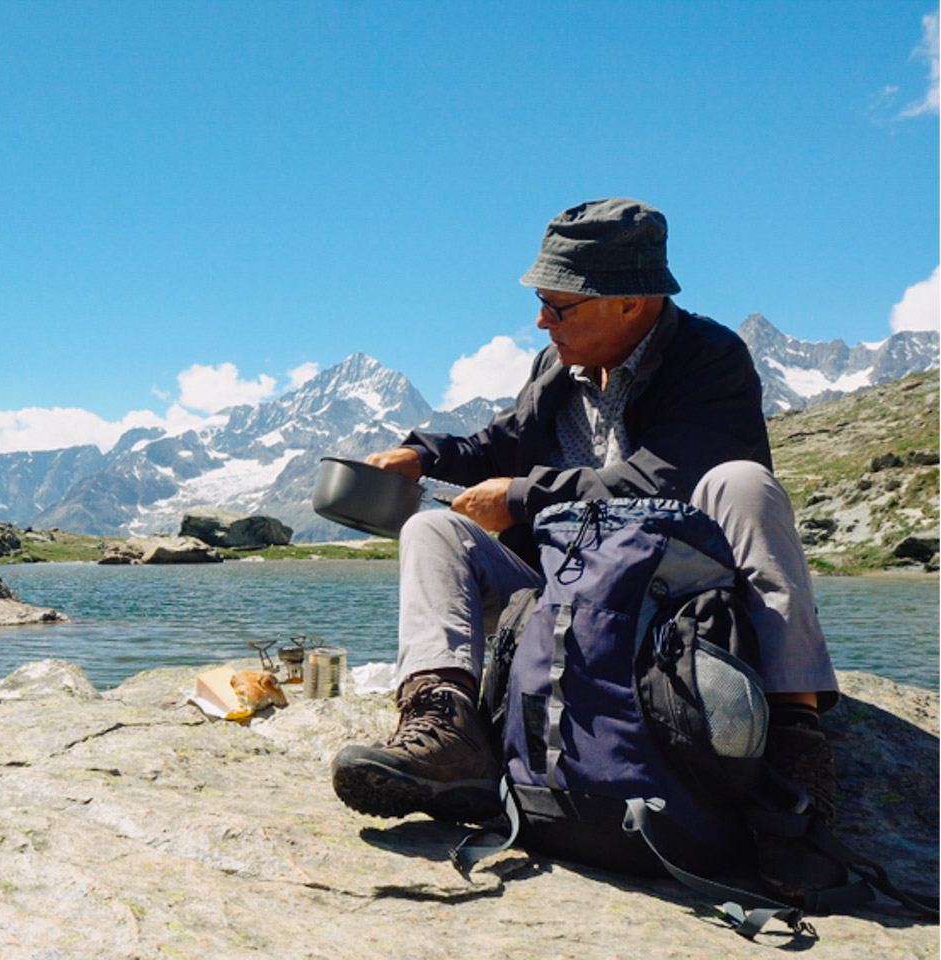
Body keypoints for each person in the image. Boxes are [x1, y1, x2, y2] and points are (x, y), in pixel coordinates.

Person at [329, 197, 842, 902]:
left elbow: (666, 480)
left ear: (631, 304)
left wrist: (521, 497)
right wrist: (422, 455)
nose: (543, 321)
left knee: (745, 485)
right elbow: (498, 443)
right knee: (432, 529)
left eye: (559, 306)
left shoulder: (711, 360)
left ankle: (792, 759)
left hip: (680, 615)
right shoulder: (556, 367)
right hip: (572, 601)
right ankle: (448, 732)